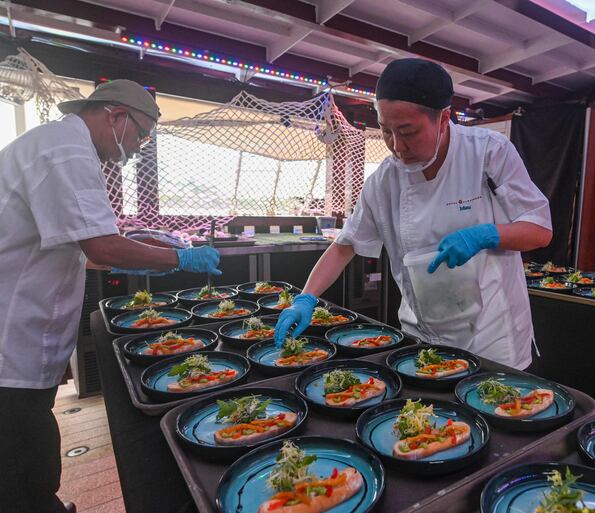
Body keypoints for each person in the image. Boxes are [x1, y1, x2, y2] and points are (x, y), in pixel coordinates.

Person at [0, 79, 221, 513]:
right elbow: (101, 247)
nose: (138, 148)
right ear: (115, 114)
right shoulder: (66, 150)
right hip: (11, 335)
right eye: (140, 134)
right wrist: (179, 258)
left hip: (24, 327)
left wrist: (143, 251)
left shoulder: (57, 142)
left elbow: (90, 249)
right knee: (19, 455)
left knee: (27, 446)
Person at [274, 58, 552, 369]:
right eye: (385, 130)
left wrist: (486, 234)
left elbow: (539, 230)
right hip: (421, 333)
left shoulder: (488, 152)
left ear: (444, 118)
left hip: (491, 336)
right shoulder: (384, 180)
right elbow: (344, 246)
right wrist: (306, 298)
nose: (396, 146)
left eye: (407, 131)